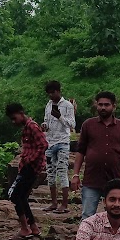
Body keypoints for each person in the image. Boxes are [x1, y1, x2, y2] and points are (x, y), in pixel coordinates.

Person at [71, 90, 120, 218]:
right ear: (96, 105)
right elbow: (81, 151)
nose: (103, 107)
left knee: (114, 215)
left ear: (113, 106)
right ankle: (85, 238)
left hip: (114, 180)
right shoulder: (88, 125)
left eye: (107, 105)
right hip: (91, 180)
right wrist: (75, 174)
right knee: (87, 215)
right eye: (100, 105)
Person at [5, 102, 47, 238]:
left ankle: (25, 228)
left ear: (21, 113)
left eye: (14, 118)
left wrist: (30, 160)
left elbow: (43, 145)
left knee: (15, 195)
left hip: (31, 168)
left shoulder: (32, 126)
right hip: (28, 167)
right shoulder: (27, 127)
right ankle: (33, 227)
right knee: (21, 196)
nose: (13, 122)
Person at [41, 79, 76, 213]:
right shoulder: (48, 105)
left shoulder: (67, 105)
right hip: (50, 142)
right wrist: (45, 125)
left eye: (52, 92)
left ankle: (64, 204)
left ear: (58, 91)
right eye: (49, 93)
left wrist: (60, 117)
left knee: (62, 171)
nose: (51, 95)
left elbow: (72, 125)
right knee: (50, 173)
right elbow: (46, 121)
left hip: (63, 142)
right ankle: (54, 203)